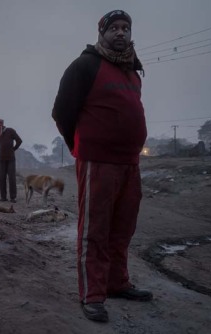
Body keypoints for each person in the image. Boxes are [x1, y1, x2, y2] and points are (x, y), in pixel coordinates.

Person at [52, 10, 152, 323]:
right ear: (101, 33)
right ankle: (92, 294)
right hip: (98, 162)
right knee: (94, 229)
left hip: (130, 164)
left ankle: (117, 283)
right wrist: (81, 146)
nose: (120, 33)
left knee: (122, 228)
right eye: (114, 28)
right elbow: (62, 113)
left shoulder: (132, 71)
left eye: (125, 28)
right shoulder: (85, 65)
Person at [0, 118, 22, 203]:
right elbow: (0, 145)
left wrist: (13, 149)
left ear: (0, 125)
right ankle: (3, 197)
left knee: (12, 178)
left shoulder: (10, 131)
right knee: (1, 178)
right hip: (1, 159)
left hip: (11, 159)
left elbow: (19, 141)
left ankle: (13, 197)